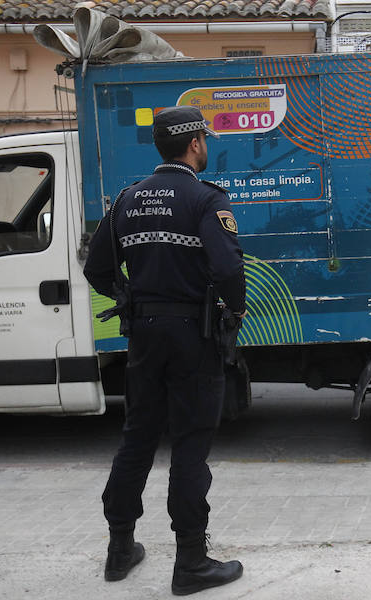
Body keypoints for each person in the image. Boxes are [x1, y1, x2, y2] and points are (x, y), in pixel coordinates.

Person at [83, 106, 246, 595]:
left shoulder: (127, 201)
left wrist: (129, 297)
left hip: (144, 335)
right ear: (194, 143)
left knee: (138, 436)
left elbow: (97, 269)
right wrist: (232, 315)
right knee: (191, 443)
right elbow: (230, 272)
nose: (206, 145)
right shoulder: (204, 199)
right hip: (192, 334)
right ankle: (191, 563)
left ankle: (119, 550)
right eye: (204, 138)